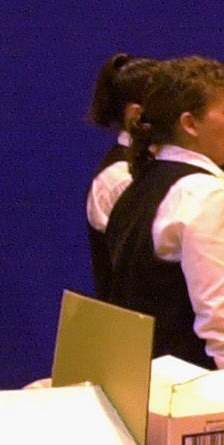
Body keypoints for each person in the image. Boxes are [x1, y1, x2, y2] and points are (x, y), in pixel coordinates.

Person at [99, 57, 224, 369]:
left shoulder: (138, 185)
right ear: (189, 124)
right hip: (190, 391)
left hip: (145, 382)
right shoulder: (205, 194)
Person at [84, 51, 158, 295]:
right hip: (130, 327)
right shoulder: (119, 178)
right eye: (168, 104)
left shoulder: (156, 167)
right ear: (136, 114)